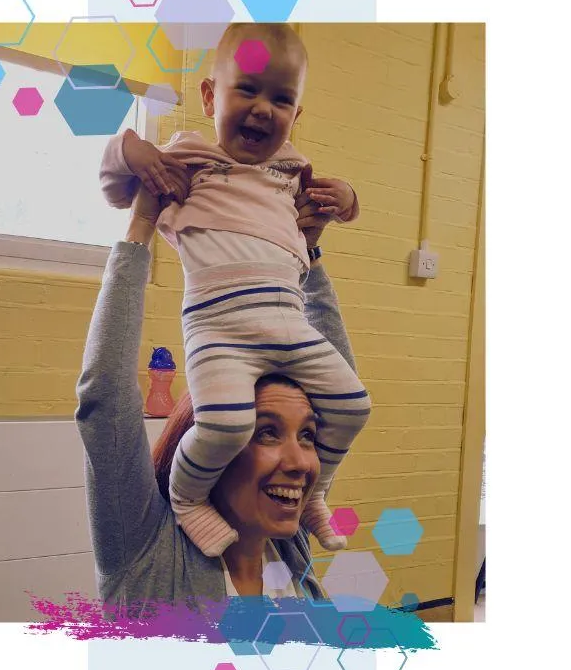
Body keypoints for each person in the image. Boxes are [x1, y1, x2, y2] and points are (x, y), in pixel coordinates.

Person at [99, 23, 371, 558]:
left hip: (288, 324)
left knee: (353, 404)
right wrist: (133, 150)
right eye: (246, 89)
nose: (263, 108)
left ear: (296, 116)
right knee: (224, 422)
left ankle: (317, 491)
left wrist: (348, 197)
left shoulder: (290, 173)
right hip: (218, 331)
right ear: (209, 95)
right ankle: (186, 498)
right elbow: (113, 184)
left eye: (282, 98)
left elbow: (344, 207)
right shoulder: (188, 162)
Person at [76, 181, 362, 604]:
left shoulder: (289, 545)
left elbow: (337, 394)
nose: (300, 461)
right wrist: (141, 224)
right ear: (209, 440)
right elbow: (106, 400)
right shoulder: (146, 550)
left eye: (306, 436)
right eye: (266, 432)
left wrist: (308, 255)